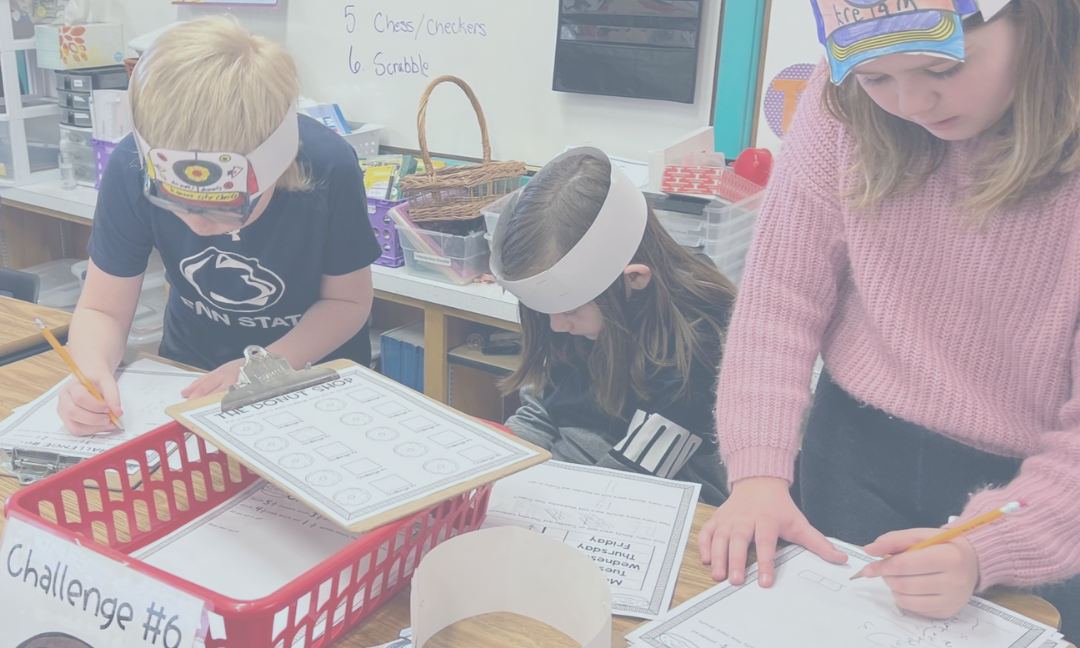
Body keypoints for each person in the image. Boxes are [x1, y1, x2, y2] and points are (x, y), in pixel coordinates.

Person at [699, 0, 1080, 638]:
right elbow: (779, 302)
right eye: (876, 78)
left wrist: (984, 548)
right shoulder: (840, 100)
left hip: (1031, 492)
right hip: (850, 447)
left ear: (1037, 23)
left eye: (941, 67)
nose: (910, 102)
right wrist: (759, 472)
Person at [57, 17, 381, 435]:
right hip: (189, 373)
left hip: (310, 376)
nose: (196, 225)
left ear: (278, 166)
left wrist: (264, 368)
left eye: (223, 209)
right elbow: (102, 308)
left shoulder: (328, 167)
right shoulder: (129, 165)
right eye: (173, 203)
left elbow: (348, 304)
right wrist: (90, 374)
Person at [491, 147, 737, 505]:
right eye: (545, 310)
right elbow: (542, 410)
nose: (556, 326)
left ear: (633, 279)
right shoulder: (577, 316)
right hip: (569, 480)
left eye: (568, 309)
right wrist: (500, 471)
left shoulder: (698, 343)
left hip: (652, 498)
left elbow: (631, 482)